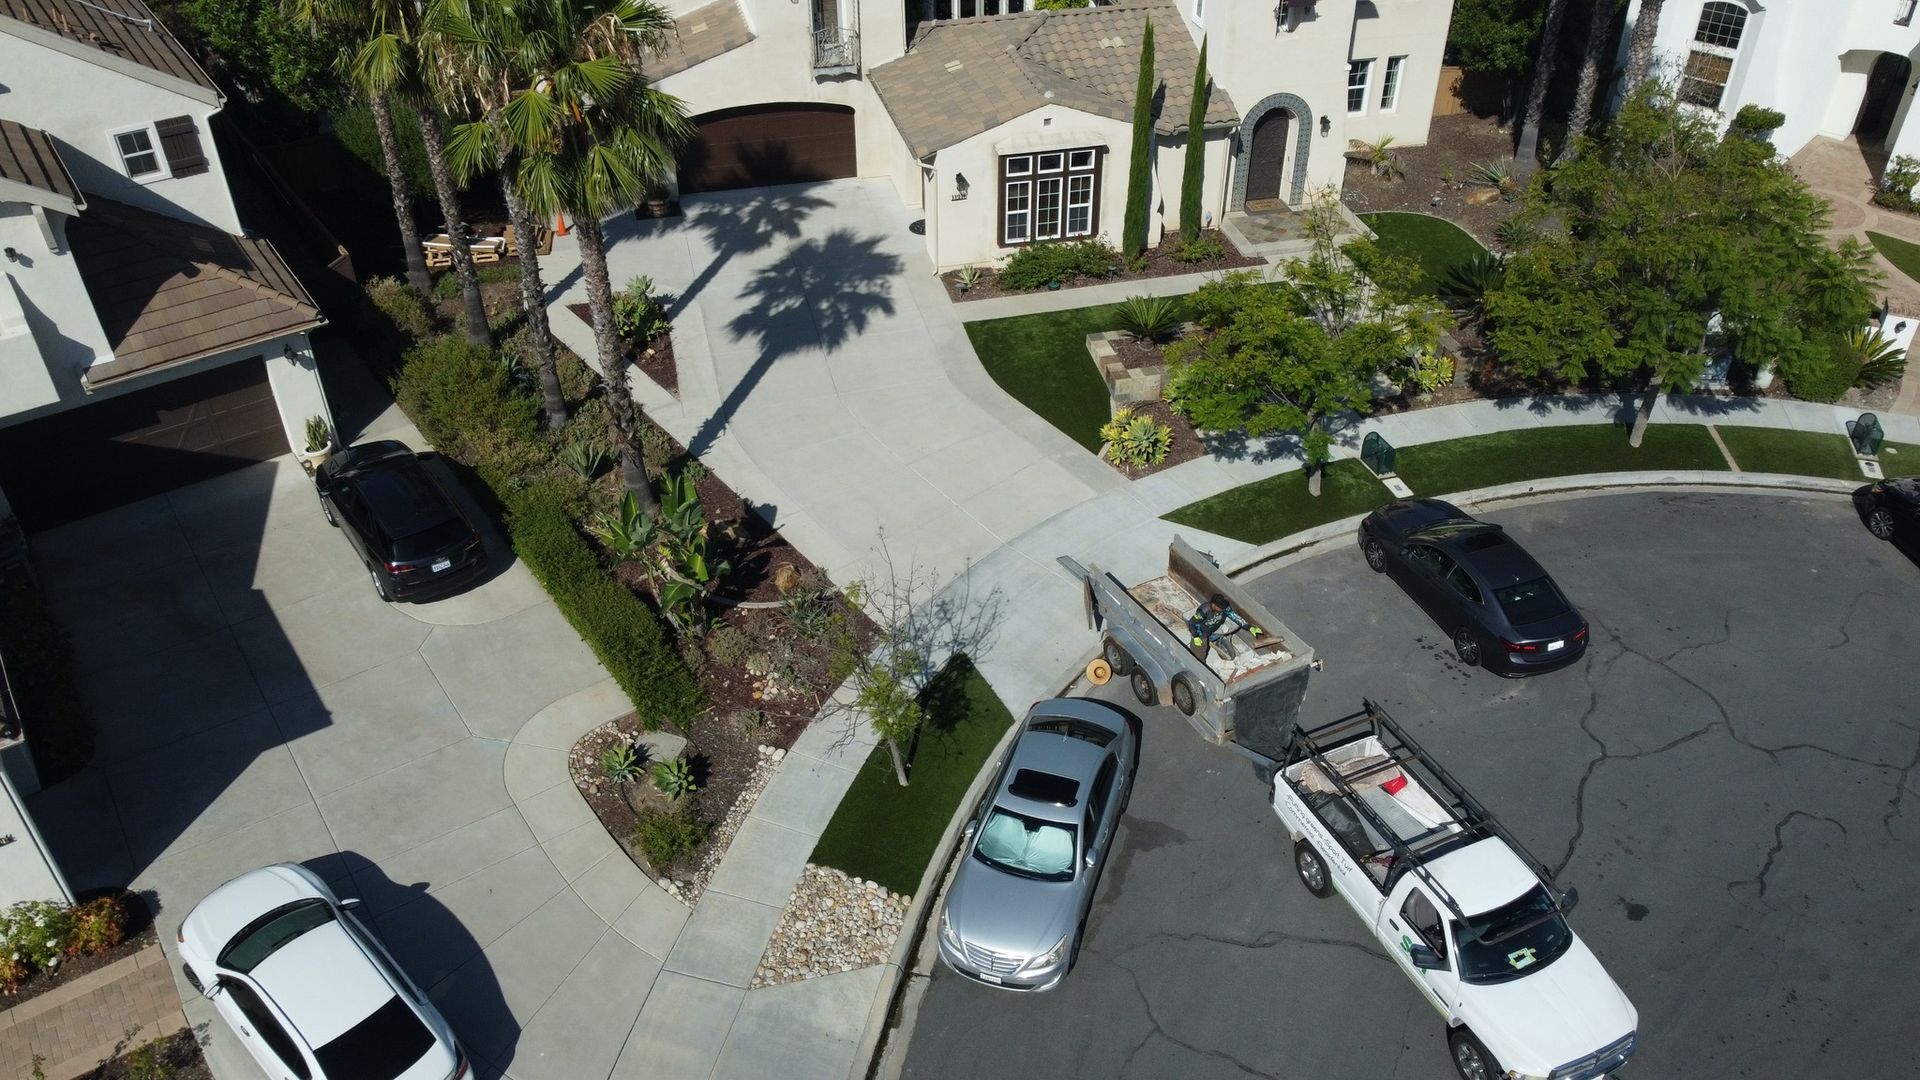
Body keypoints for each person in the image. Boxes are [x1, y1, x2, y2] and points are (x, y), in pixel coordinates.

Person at [1186, 593, 1262, 656]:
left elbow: (1234, 616)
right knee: (1199, 651)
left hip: (1214, 627)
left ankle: (1216, 640)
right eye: (1220, 607)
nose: (1223, 609)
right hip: (1202, 631)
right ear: (1213, 605)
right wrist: (1196, 636)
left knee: (1220, 632)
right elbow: (1193, 623)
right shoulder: (1204, 610)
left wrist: (1249, 627)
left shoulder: (1224, 608)